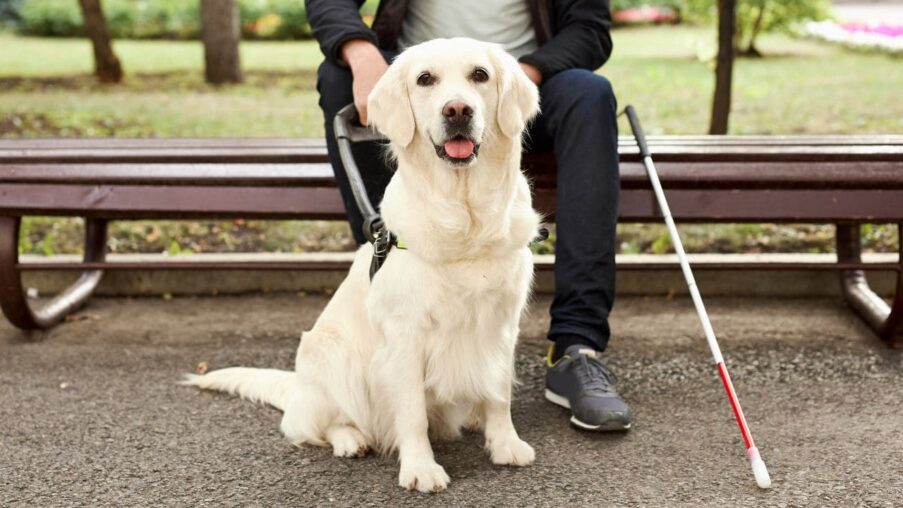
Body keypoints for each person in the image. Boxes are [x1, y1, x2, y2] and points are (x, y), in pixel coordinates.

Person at [306, 0, 631, 431]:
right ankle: (391, 285)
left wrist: (517, 77)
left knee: (591, 93)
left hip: (521, 88)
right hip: (419, 98)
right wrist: (360, 51)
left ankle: (577, 347)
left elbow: (589, 28)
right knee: (337, 74)